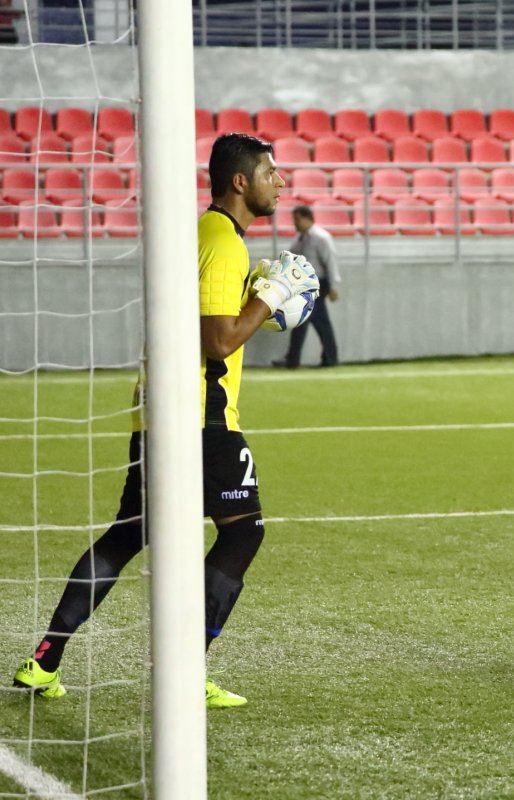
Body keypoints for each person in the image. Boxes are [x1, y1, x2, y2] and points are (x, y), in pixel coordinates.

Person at [12, 133, 319, 708]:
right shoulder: (224, 243)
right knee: (243, 531)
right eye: (270, 172)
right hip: (201, 416)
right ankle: (184, 671)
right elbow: (219, 341)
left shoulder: (200, 235)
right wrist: (270, 297)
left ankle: (43, 660)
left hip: (156, 407)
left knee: (131, 532)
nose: (281, 181)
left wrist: (256, 297)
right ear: (239, 181)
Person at [272, 205, 341, 369]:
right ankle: (330, 357)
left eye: (296, 219)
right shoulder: (300, 239)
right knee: (321, 322)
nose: (294, 223)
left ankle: (292, 359)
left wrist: (333, 286)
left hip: (317, 284)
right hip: (304, 285)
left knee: (301, 320)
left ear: (306, 218)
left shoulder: (321, 237)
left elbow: (330, 261)